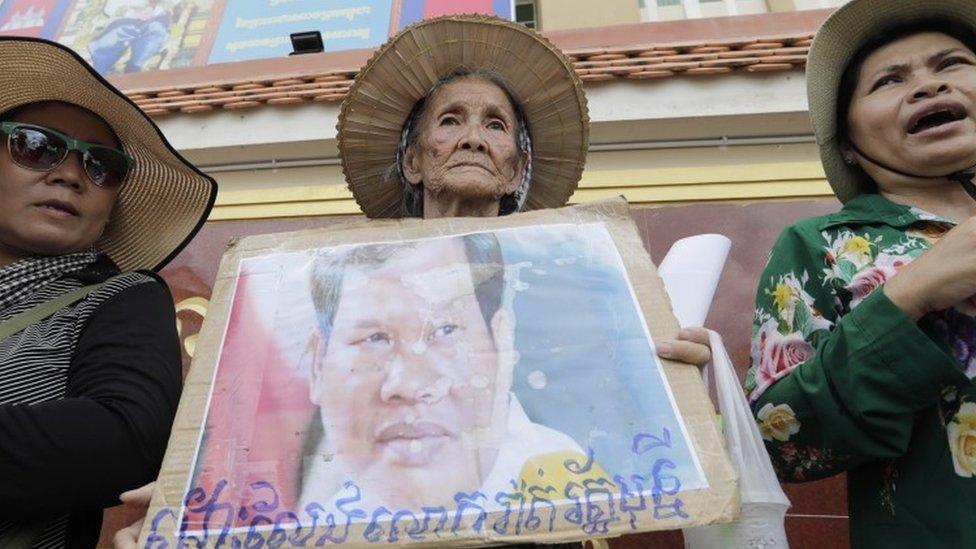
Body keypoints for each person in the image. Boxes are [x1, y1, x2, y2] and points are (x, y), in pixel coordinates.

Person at [744, 0, 976, 546]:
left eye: (951, 64)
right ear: (847, 144)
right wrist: (908, 298)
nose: (927, 87)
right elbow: (778, 440)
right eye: (889, 81)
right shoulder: (818, 246)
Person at [0, 36, 215, 547]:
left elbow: (123, 440)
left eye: (102, 166)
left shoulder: (122, 297)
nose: (71, 174)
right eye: (35, 145)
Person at [301, 234, 602, 511]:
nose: (410, 385)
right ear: (318, 366)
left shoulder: (582, 494)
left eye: (446, 330)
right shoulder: (320, 525)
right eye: (375, 339)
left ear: (502, 345)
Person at [88, 0, 176, 74]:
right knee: (116, 33)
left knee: (155, 31)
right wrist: (133, 13)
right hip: (125, 20)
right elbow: (112, 8)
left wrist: (155, 11)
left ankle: (134, 70)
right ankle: (100, 70)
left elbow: (171, 5)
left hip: (156, 21)